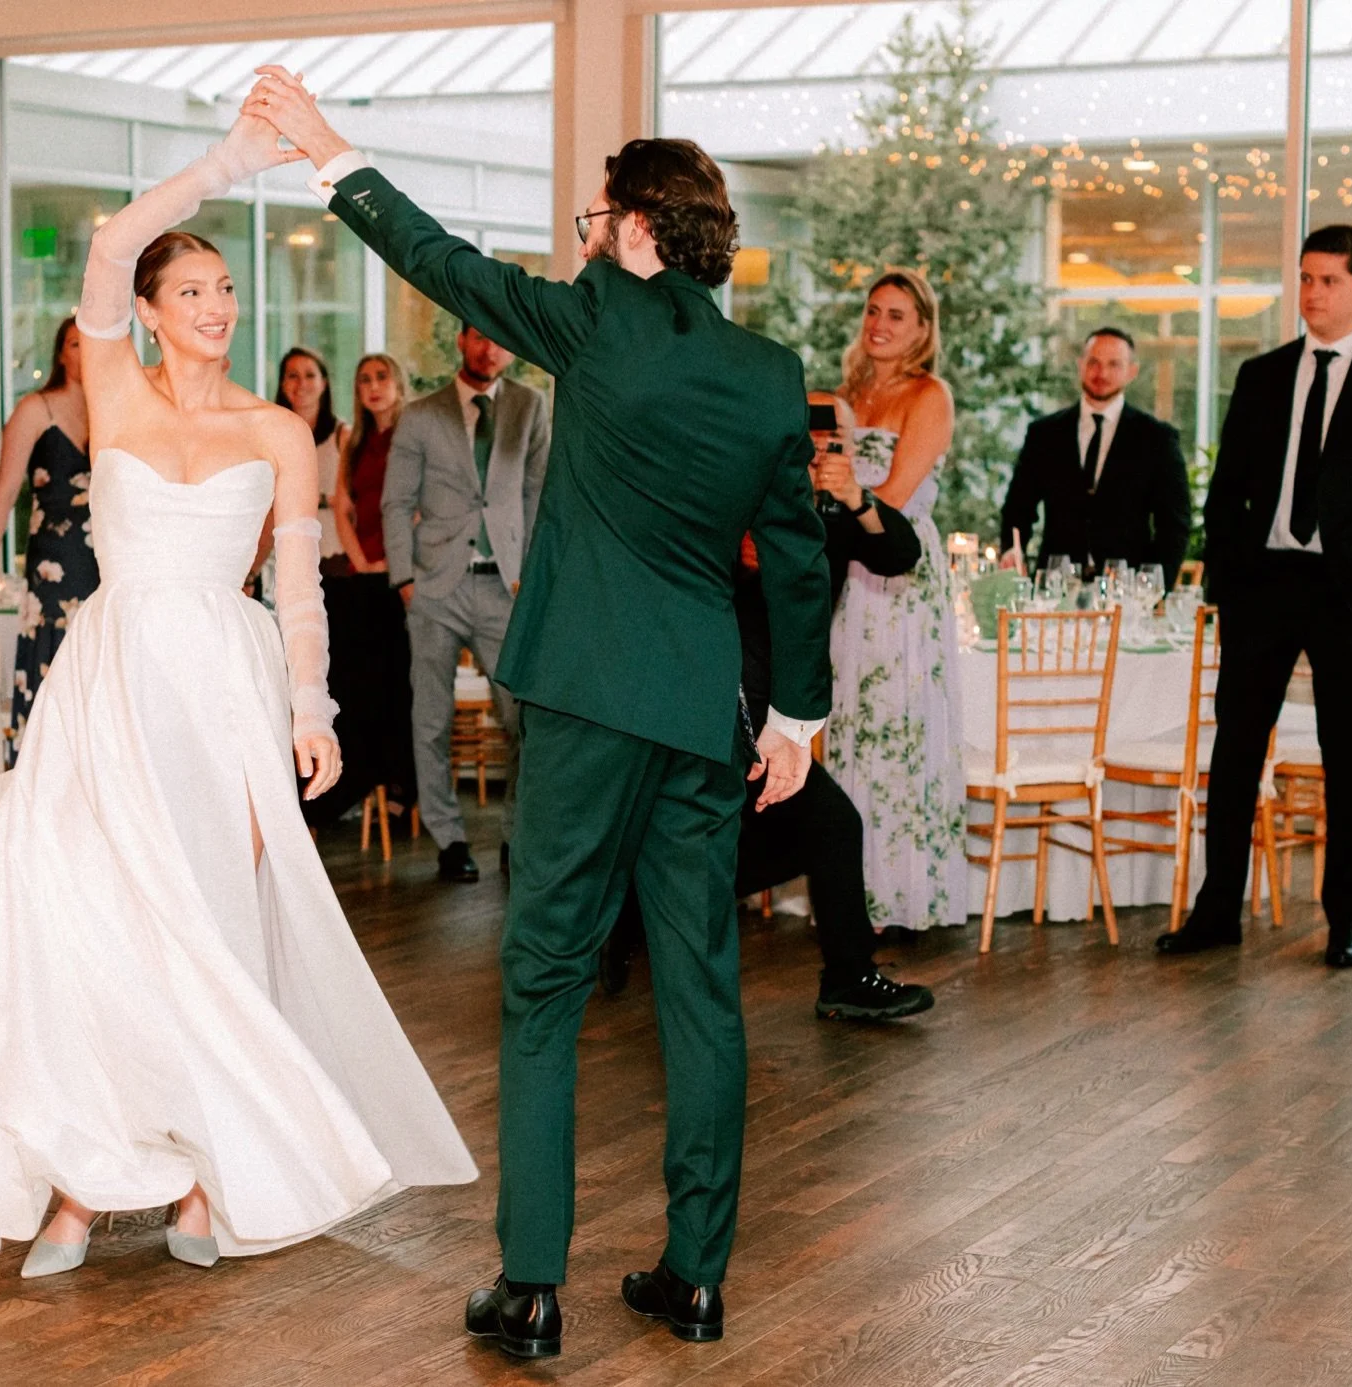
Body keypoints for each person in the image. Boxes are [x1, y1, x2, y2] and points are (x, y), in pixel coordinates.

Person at [0, 111, 475, 1279]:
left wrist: (310, 709)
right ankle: (82, 1188)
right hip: (111, 680)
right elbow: (108, 243)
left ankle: (190, 1178)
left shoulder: (280, 431)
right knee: (83, 921)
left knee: (202, 933)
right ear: (146, 312)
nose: (219, 307)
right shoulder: (114, 396)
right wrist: (228, 164)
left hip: (221, 694)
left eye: (227, 290)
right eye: (194, 290)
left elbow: (296, 590)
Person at [250, 70, 832, 1357]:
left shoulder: (593, 326)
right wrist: (795, 718)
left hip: (576, 704)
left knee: (545, 981)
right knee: (701, 988)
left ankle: (529, 1284)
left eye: (594, 216)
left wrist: (327, 149)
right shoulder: (767, 371)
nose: (580, 233)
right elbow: (793, 558)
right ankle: (693, 1273)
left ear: (632, 231)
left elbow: (437, 260)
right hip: (699, 714)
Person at [603, 394, 936, 1022]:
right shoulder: (737, 498)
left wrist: (859, 497)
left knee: (813, 831)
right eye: (803, 429)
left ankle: (641, 915)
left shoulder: (834, 520)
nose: (815, 443)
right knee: (810, 828)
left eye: (827, 432)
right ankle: (844, 973)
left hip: (782, 718)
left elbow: (900, 555)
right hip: (711, 706)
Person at [1158, 224, 1352, 968]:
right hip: (1266, 585)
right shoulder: (1263, 375)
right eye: (1305, 279)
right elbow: (1223, 498)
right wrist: (1232, 583)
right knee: (1236, 750)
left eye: (1329, 281)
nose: (1312, 294)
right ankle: (1218, 909)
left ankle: (1347, 918)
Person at [822, 269, 966, 935]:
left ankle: (904, 895)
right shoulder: (843, 393)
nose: (880, 323)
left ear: (923, 330)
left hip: (899, 577)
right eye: (874, 310)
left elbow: (898, 499)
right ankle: (852, 894)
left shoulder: (928, 394)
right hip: (844, 575)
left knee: (900, 727)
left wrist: (843, 494)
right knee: (851, 720)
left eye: (898, 315)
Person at [382, 322, 550, 882]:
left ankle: (515, 836)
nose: (491, 347)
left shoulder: (530, 406)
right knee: (431, 719)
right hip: (435, 587)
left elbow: (537, 495)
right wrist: (405, 580)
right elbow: (396, 501)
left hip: (505, 588)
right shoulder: (423, 413)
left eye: (502, 337)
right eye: (479, 336)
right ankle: (449, 839)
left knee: (520, 717)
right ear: (461, 341)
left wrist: (530, 575)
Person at [0, 317, 98, 763]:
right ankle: (44, 773)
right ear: (62, 353)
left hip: (109, 558)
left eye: (93, 343)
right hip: (56, 558)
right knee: (54, 657)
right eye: (76, 344)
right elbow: (4, 493)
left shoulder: (111, 409)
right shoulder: (35, 409)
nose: (85, 352)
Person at [308, 352, 418, 826]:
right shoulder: (353, 438)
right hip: (362, 574)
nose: (373, 386)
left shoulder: (414, 432)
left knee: (397, 685)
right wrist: (359, 560)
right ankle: (352, 780)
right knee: (352, 683)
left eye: (381, 377)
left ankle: (399, 784)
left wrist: (394, 560)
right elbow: (340, 503)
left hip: (403, 574)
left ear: (398, 383)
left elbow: (422, 503)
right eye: (364, 379)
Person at [999, 326, 1190, 577]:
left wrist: (1152, 587)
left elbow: (1174, 526)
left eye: (1114, 364)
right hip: (1055, 587)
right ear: (1080, 365)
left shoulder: (1157, 439)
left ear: (1132, 371)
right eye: (1094, 362)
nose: (1102, 373)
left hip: (1125, 590)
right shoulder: (1044, 434)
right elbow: (1017, 508)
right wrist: (1012, 550)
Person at [275, 346, 350, 565]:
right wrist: (326, 500)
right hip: (285, 558)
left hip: (336, 557)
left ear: (324, 383)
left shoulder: (342, 436)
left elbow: (349, 502)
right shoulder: (272, 436)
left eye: (310, 375)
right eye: (292, 376)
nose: (301, 384)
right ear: (282, 384)